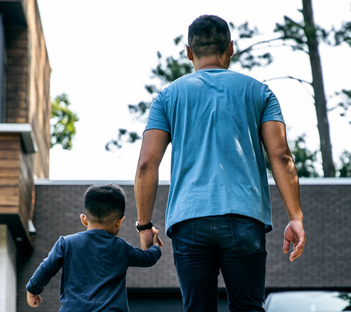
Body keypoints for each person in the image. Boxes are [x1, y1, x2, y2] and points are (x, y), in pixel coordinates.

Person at [134, 14, 306, 312]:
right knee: (249, 308)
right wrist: (295, 217)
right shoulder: (260, 92)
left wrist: (145, 225)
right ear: (231, 47)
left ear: (189, 52)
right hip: (244, 219)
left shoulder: (167, 97)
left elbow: (147, 165)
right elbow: (282, 157)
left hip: (190, 220)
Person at [25, 184, 163, 312]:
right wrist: (155, 245)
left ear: (84, 219)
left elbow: (46, 268)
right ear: (119, 222)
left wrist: (33, 290)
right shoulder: (121, 247)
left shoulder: (66, 243)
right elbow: (148, 258)